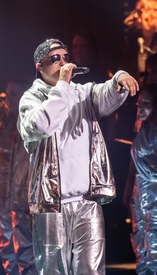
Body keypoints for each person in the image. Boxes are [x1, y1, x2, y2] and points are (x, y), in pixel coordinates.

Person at [17, 38, 139, 274]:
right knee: (54, 270)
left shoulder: (82, 93)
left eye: (67, 57)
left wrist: (119, 78)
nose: (63, 63)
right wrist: (61, 85)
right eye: (55, 59)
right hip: (52, 206)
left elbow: (105, 93)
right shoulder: (31, 99)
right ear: (39, 67)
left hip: (87, 202)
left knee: (91, 269)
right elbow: (41, 125)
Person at [0, 80, 37, 275]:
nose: (8, 99)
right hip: (3, 202)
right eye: (7, 94)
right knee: (7, 252)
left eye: (14, 95)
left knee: (26, 253)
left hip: (22, 202)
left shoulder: (32, 127)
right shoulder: (3, 126)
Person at [123, 83, 157, 275]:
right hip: (140, 196)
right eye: (138, 103)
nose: (141, 107)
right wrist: (129, 189)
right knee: (140, 244)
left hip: (154, 197)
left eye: (146, 103)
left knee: (153, 245)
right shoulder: (142, 130)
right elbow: (134, 163)